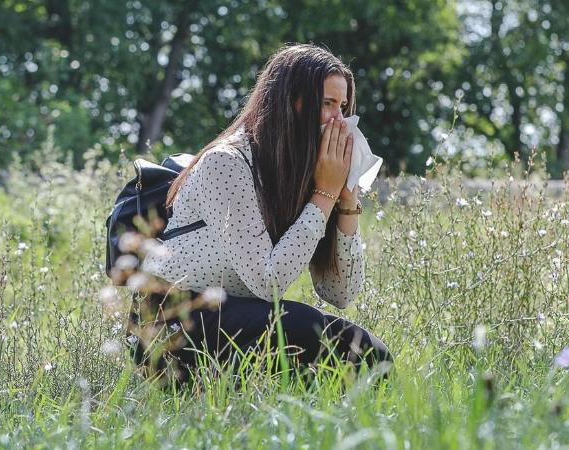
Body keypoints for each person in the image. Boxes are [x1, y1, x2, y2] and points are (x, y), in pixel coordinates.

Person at [125, 43, 392, 386]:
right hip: (171, 323)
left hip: (236, 317)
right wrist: (324, 194)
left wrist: (346, 200)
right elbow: (268, 283)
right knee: (305, 329)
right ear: (291, 103)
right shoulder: (226, 162)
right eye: (327, 104)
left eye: (343, 107)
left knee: (370, 355)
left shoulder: (303, 174)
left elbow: (340, 293)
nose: (339, 121)